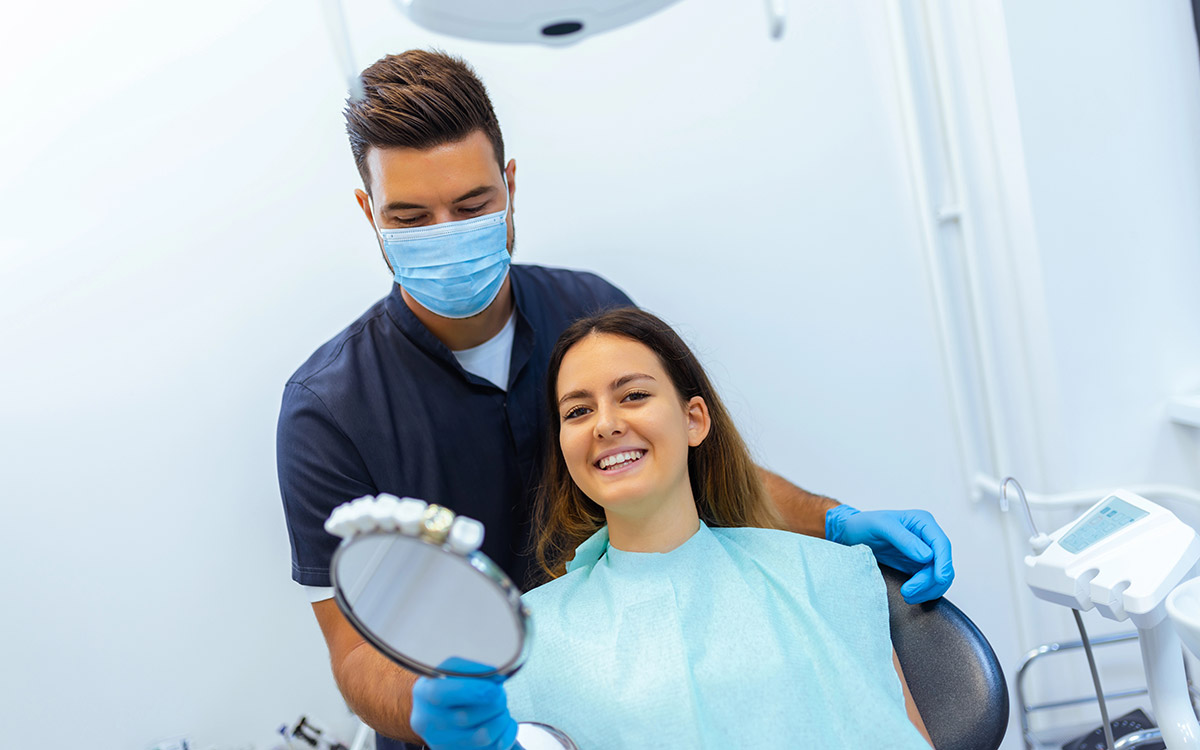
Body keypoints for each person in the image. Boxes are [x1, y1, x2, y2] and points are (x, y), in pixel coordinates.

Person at [276, 49, 954, 749]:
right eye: (413, 218)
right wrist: (429, 704)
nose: (447, 234)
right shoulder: (327, 411)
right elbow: (354, 649)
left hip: (647, 678)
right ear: (369, 213)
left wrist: (833, 523)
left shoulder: (589, 314)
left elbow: (697, 470)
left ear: (509, 186)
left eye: (472, 205)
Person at [410, 308, 934, 749]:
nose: (606, 424)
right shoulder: (523, 639)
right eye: (577, 410)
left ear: (694, 419)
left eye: (633, 396)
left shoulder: (823, 576)